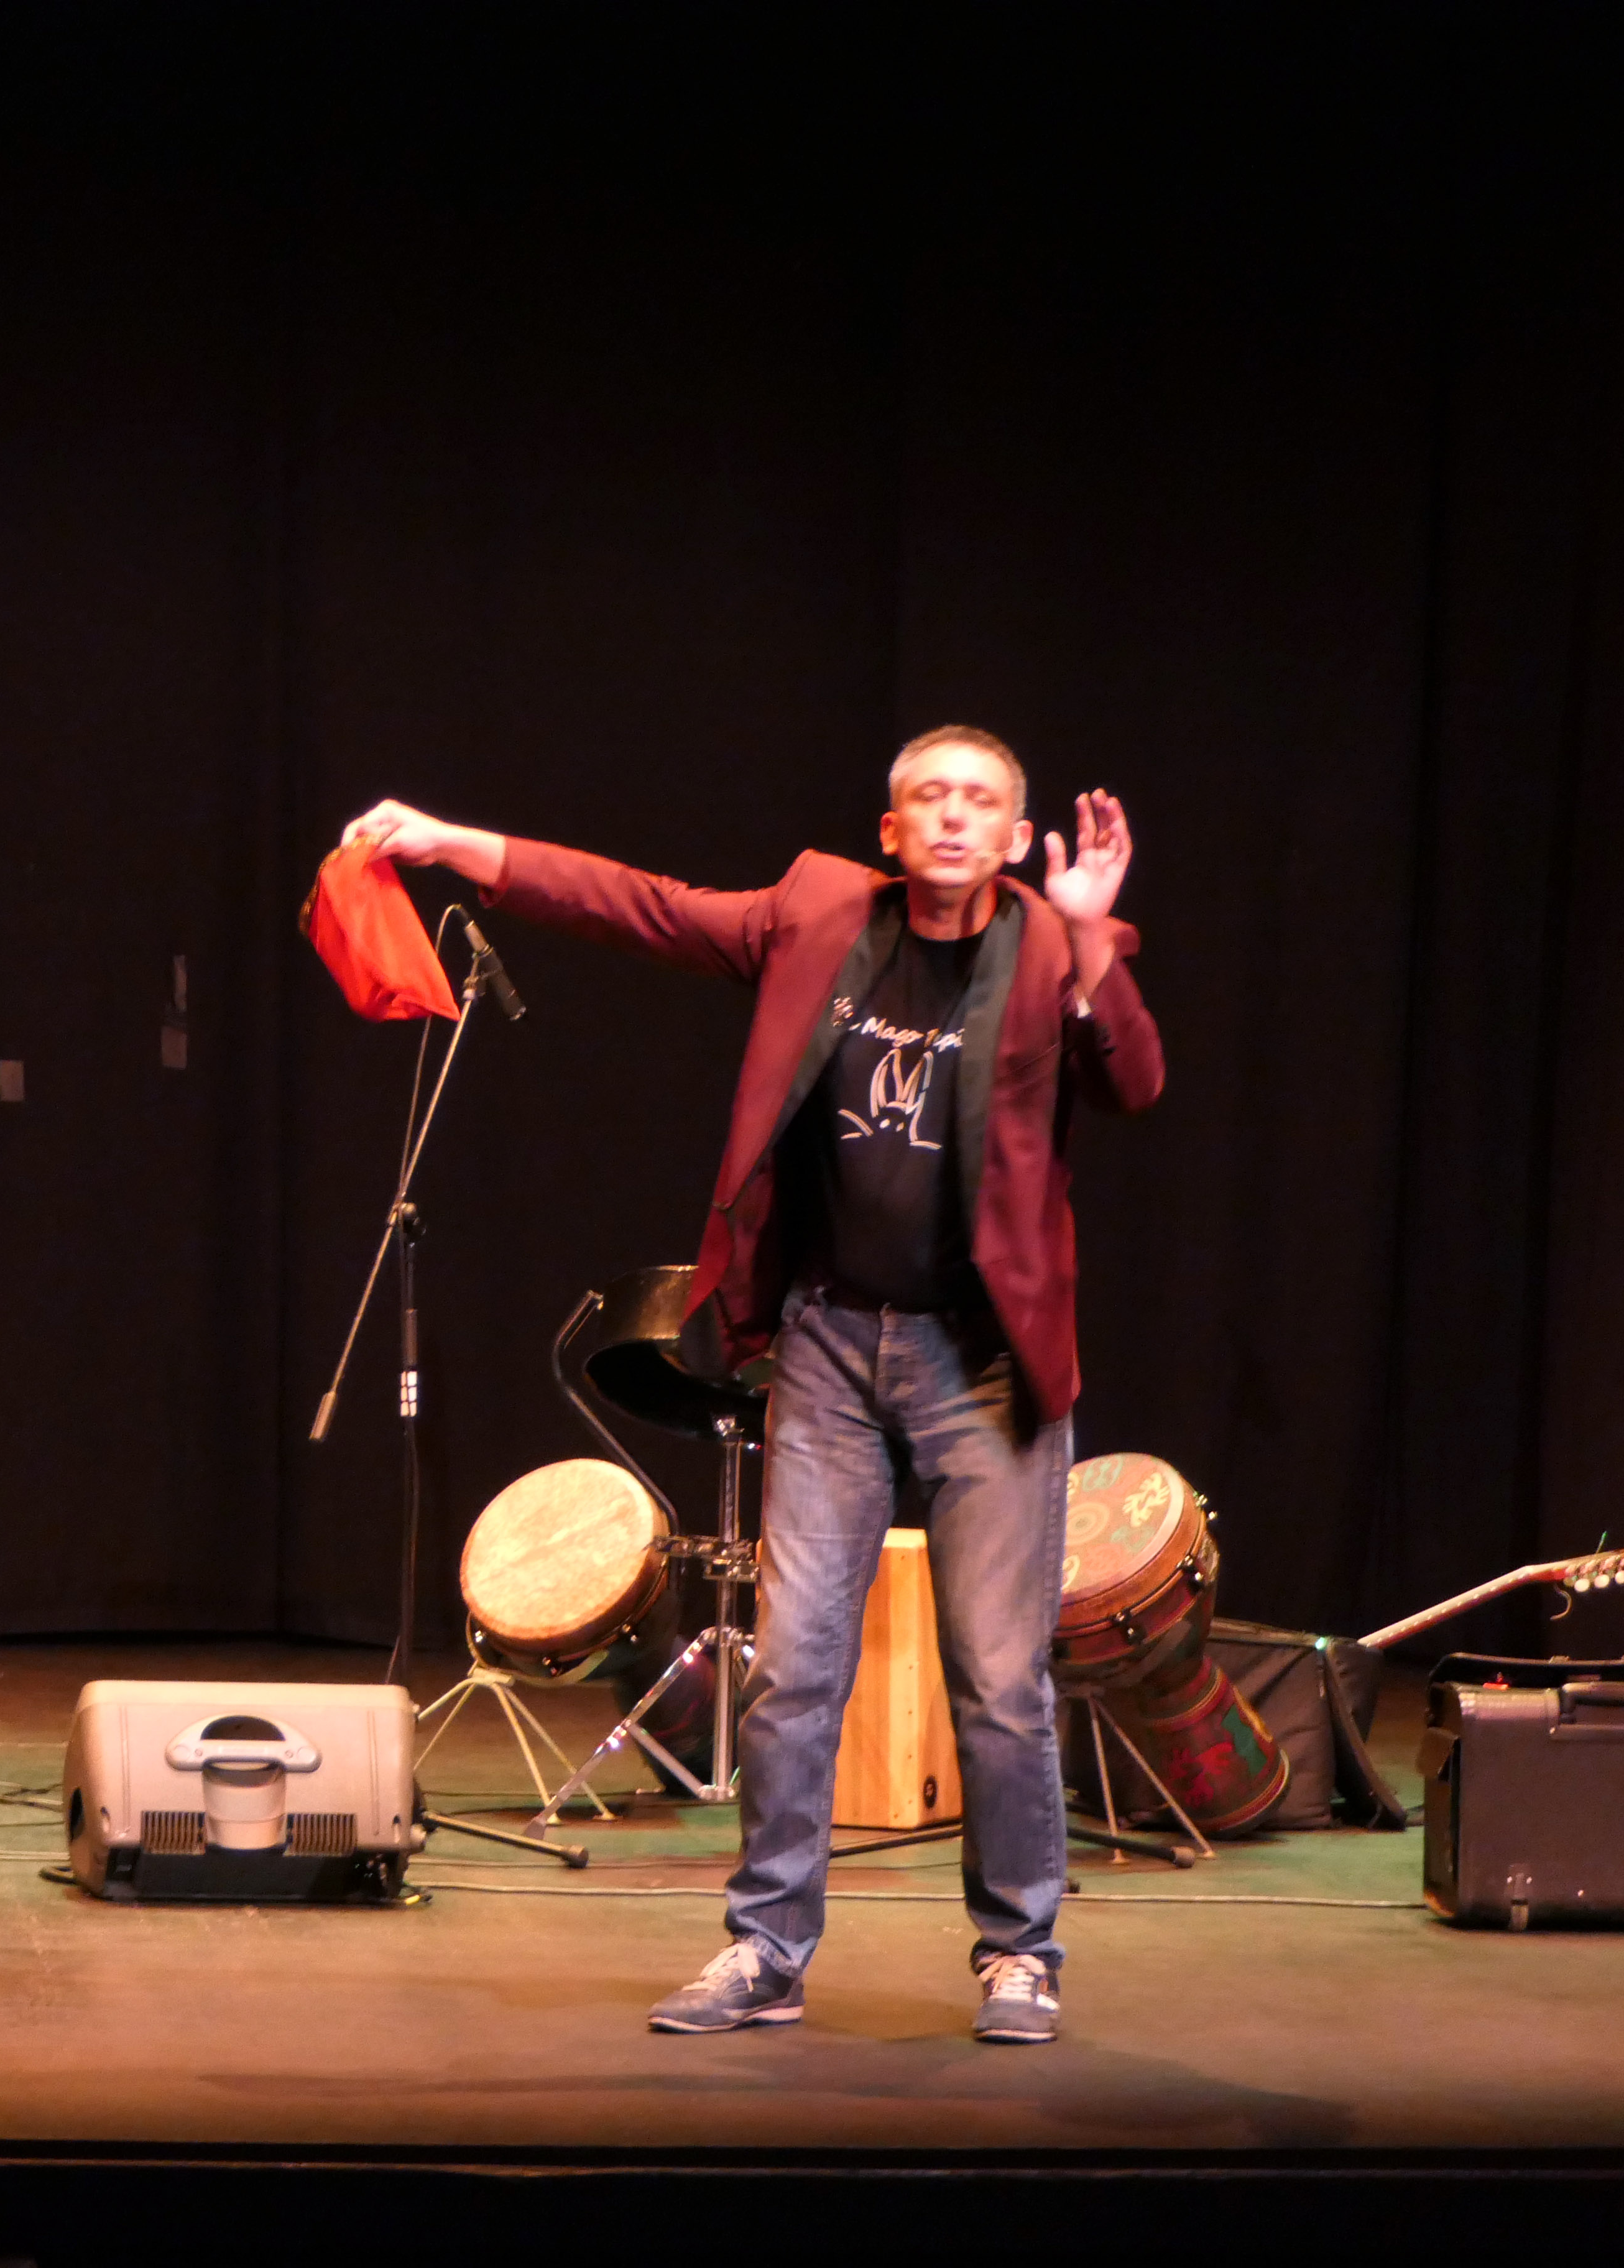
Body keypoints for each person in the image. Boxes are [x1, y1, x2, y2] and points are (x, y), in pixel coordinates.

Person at [346, 728, 1159, 2045]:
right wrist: (451, 844)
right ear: (891, 831)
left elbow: (1134, 1082)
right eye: (929, 800)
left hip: (984, 1363)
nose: (953, 819)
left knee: (1001, 1681)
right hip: (832, 1343)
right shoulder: (818, 912)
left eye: (980, 804)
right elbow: (639, 906)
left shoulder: (1058, 948)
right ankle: (767, 1949)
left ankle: (1021, 1953)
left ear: (1017, 839)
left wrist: (1086, 945)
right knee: (794, 1668)